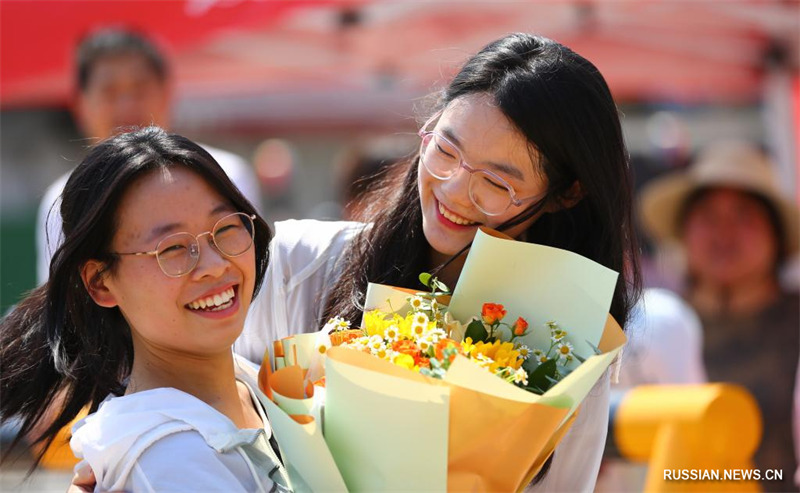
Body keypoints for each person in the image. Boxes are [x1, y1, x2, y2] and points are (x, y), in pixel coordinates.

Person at [235, 33, 641, 491]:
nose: (452, 191)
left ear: (565, 194)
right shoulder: (300, 265)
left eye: (495, 182)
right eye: (446, 151)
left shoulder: (565, 349)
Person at [1, 127, 290, 492]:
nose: (215, 264)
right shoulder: (170, 460)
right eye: (171, 248)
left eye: (226, 227)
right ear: (100, 283)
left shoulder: (257, 387)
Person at [36, 28, 262, 285]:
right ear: (81, 106)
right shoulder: (62, 199)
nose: (127, 106)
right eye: (109, 92)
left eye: (140, 88)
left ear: (167, 92)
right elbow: (58, 304)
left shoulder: (225, 173)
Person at [640, 140, 800, 491]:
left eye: (743, 214)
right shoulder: (652, 326)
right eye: (708, 216)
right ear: (685, 232)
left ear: (776, 234)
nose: (723, 231)